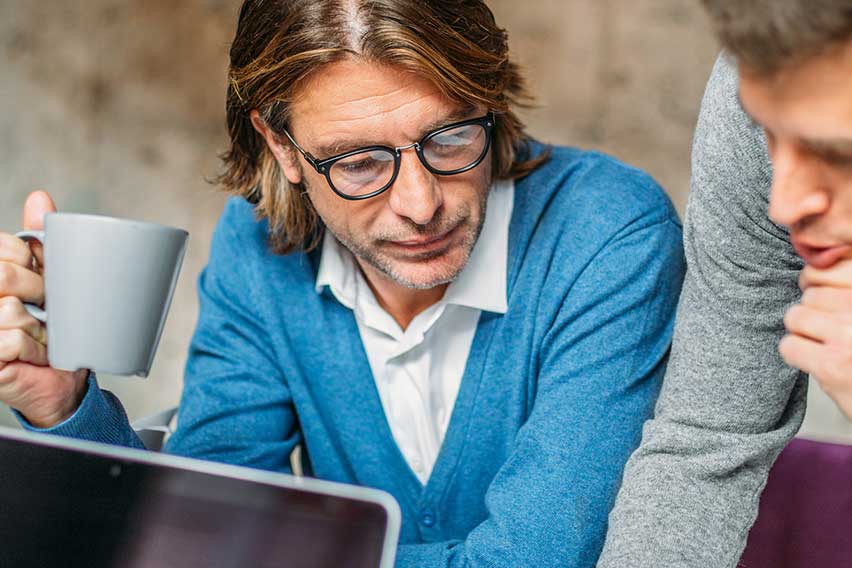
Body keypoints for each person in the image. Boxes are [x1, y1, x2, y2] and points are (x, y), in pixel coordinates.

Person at [0, 1, 684, 565]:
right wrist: (66, 409)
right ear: (281, 147)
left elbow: (535, 559)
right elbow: (200, 531)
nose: (420, 204)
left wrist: (279, 550)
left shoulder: (606, 229)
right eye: (358, 163)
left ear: (490, 98)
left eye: (448, 138)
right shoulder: (257, 246)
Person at [599, 2, 852, 566]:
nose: (783, 204)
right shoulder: (749, 102)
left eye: (837, 153)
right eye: (770, 136)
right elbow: (707, 439)